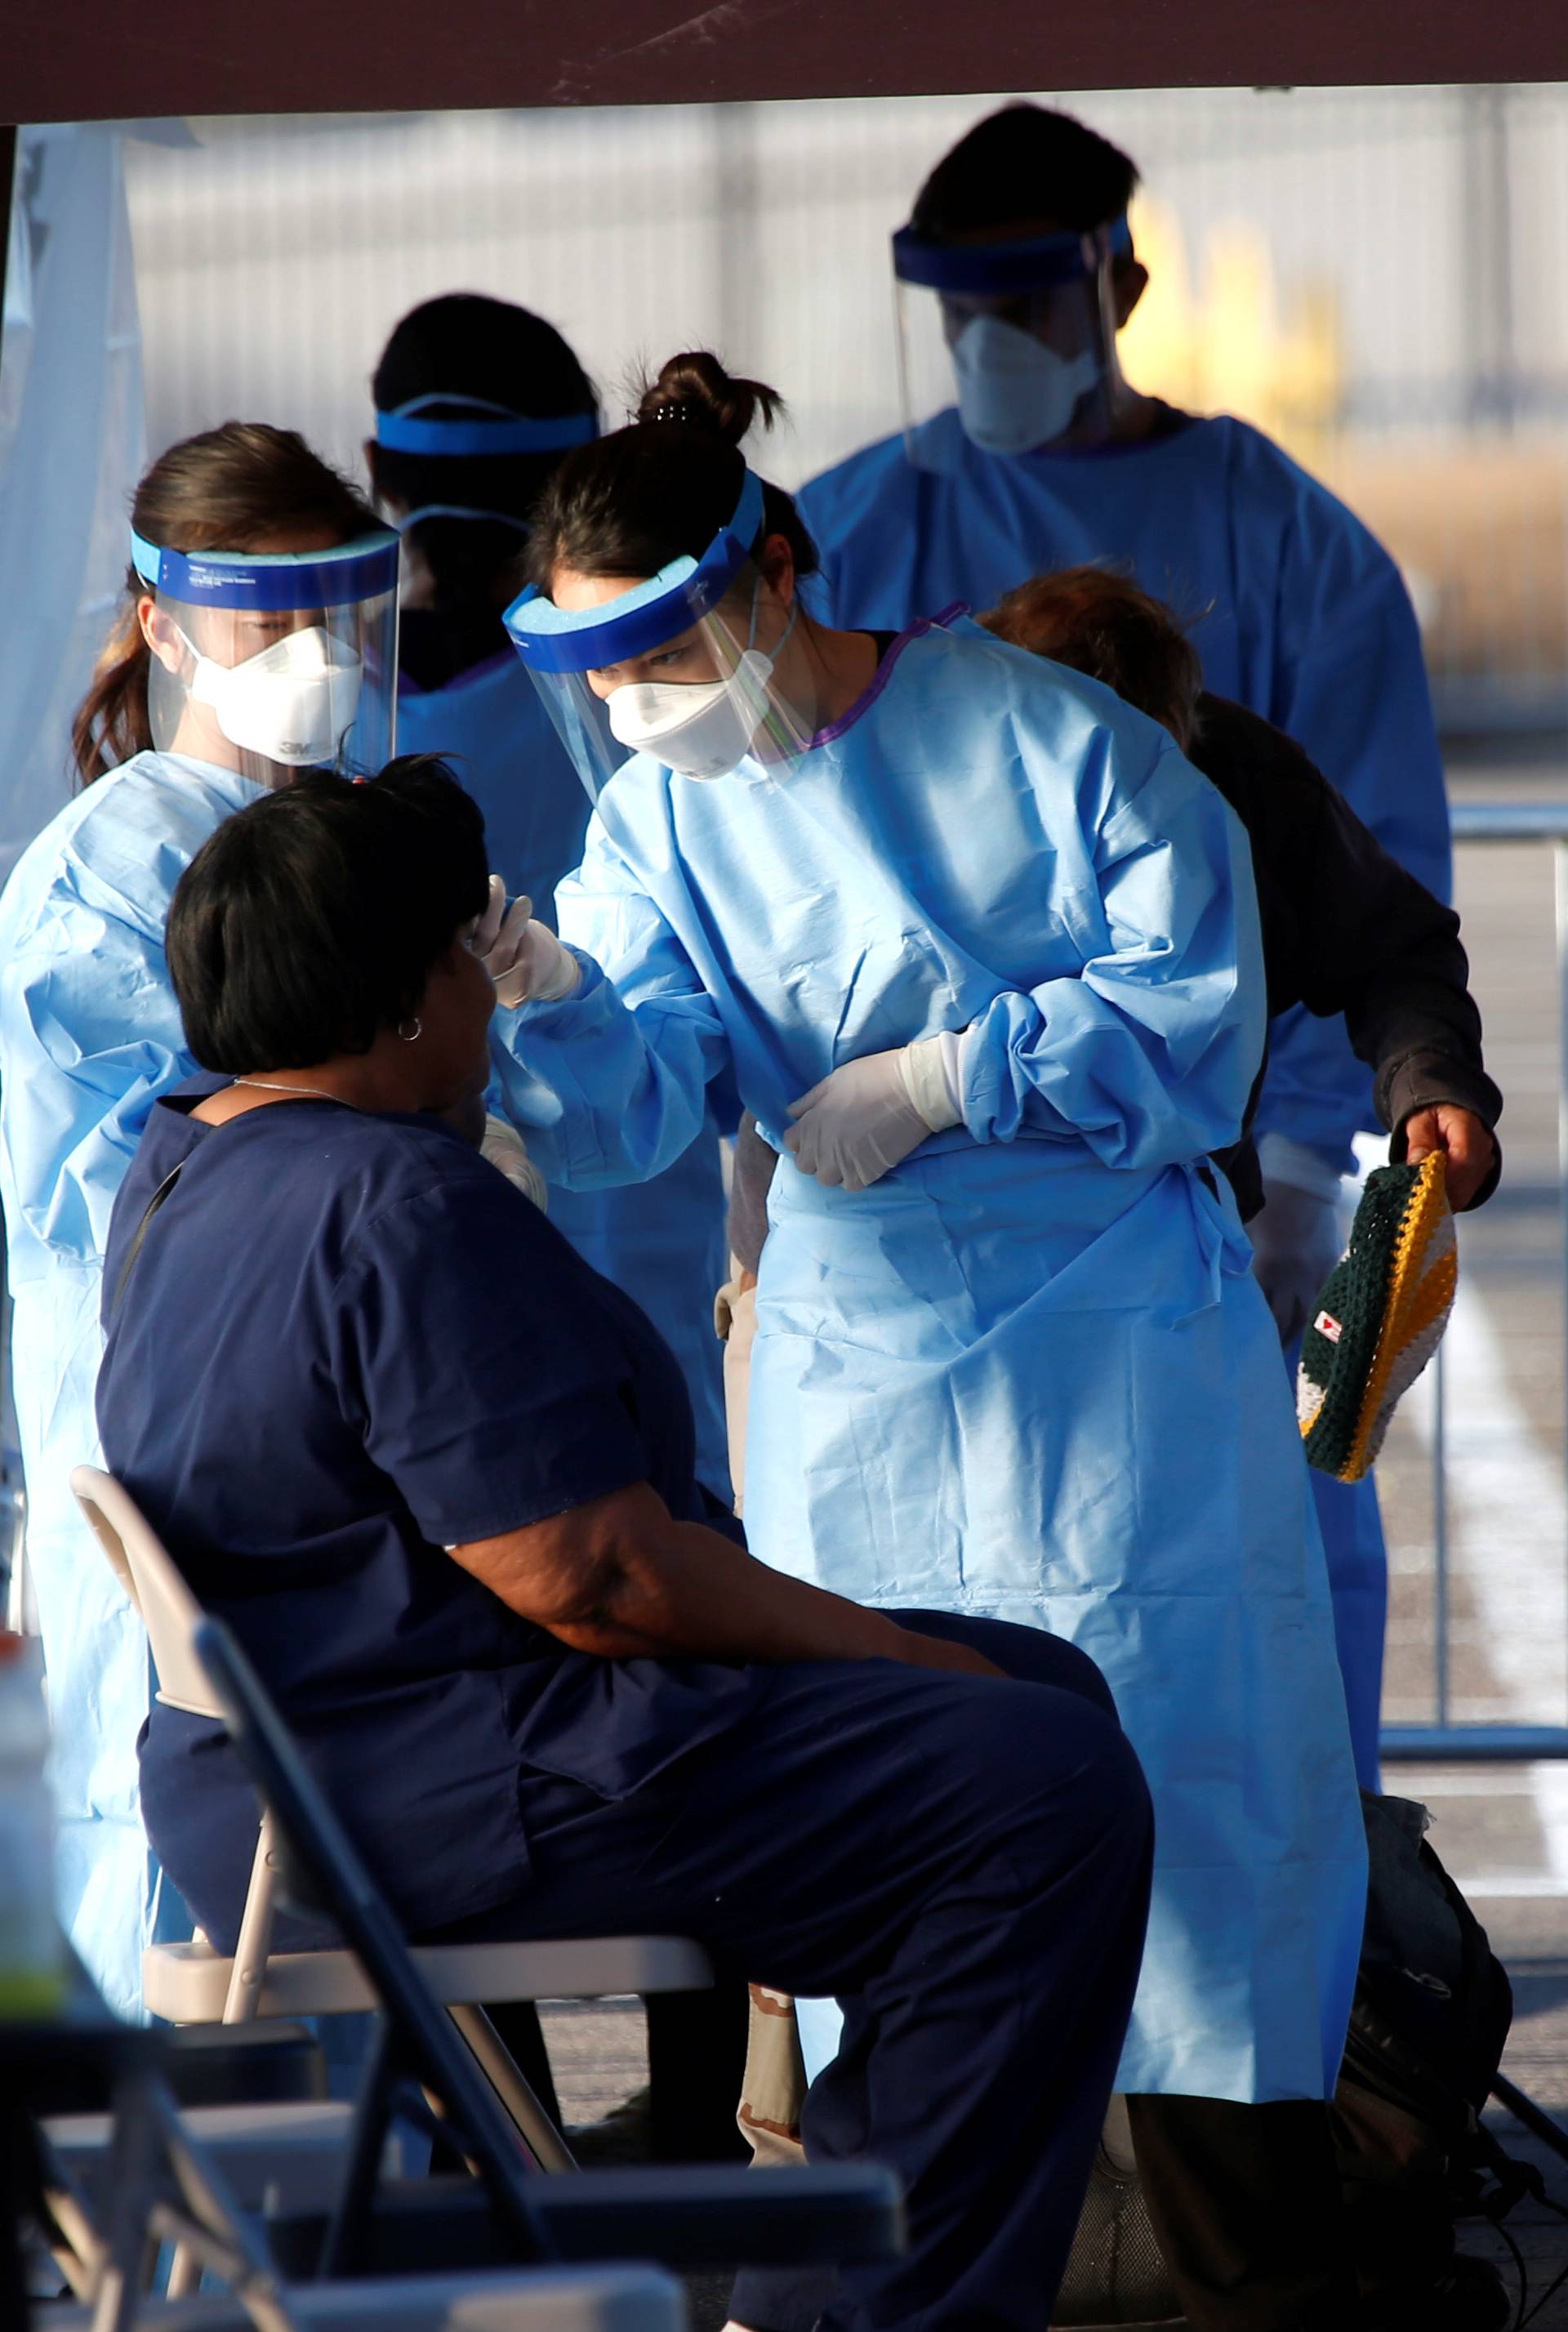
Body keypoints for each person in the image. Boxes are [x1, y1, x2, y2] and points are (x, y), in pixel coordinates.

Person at [495, 352, 1369, 2330]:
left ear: (779, 576)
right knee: (900, 1822)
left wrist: (960, 1074)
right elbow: (648, 1106)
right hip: (859, 1376)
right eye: (606, 678)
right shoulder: (653, 824)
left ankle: (1247, 2266)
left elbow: (1200, 1010)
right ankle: (907, 2280)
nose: (639, 710)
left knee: (1194, 1805)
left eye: (664, 657)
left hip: (1118, 1361)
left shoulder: (1051, 741)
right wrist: (552, 1008)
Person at [95, 756, 1153, 2332]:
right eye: (468, 961)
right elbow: (596, 1581)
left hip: (292, 1764)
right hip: (440, 1776)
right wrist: (890, 1648)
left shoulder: (184, 1162)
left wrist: (910, 1664)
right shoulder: (390, 1204)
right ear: (400, 1007)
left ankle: (814, 2284)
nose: (487, 996)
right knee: (1040, 1789)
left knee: (1039, 1686)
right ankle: (874, 2315)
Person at [797, 100, 1454, 1780]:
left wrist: (1312, 1181)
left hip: (1221, 1201)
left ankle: (1311, 1987)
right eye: (959, 312)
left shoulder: (1293, 549)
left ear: (1121, 284)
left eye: (1025, 306)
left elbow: (1365, 886)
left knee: (1270, 1609)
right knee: (976, 1629)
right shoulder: (863, 531)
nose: (989, 347)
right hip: (963, 1224)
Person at [0, 423, 397, 2016]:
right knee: (171, 1849)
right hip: (170, 1411)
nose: (311, 655)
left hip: (322, 1415)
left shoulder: (356, 840)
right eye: (266, 617)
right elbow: (94, 1195)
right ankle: (171, 2217)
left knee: (327, 1857)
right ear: (162, 623)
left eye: (334, 615)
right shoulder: (100, 883)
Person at [368, 292, 732, 1500]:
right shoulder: (668, 719)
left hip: (402, 1248)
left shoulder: (321, 724)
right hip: (636, 1238)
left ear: (378, 475)